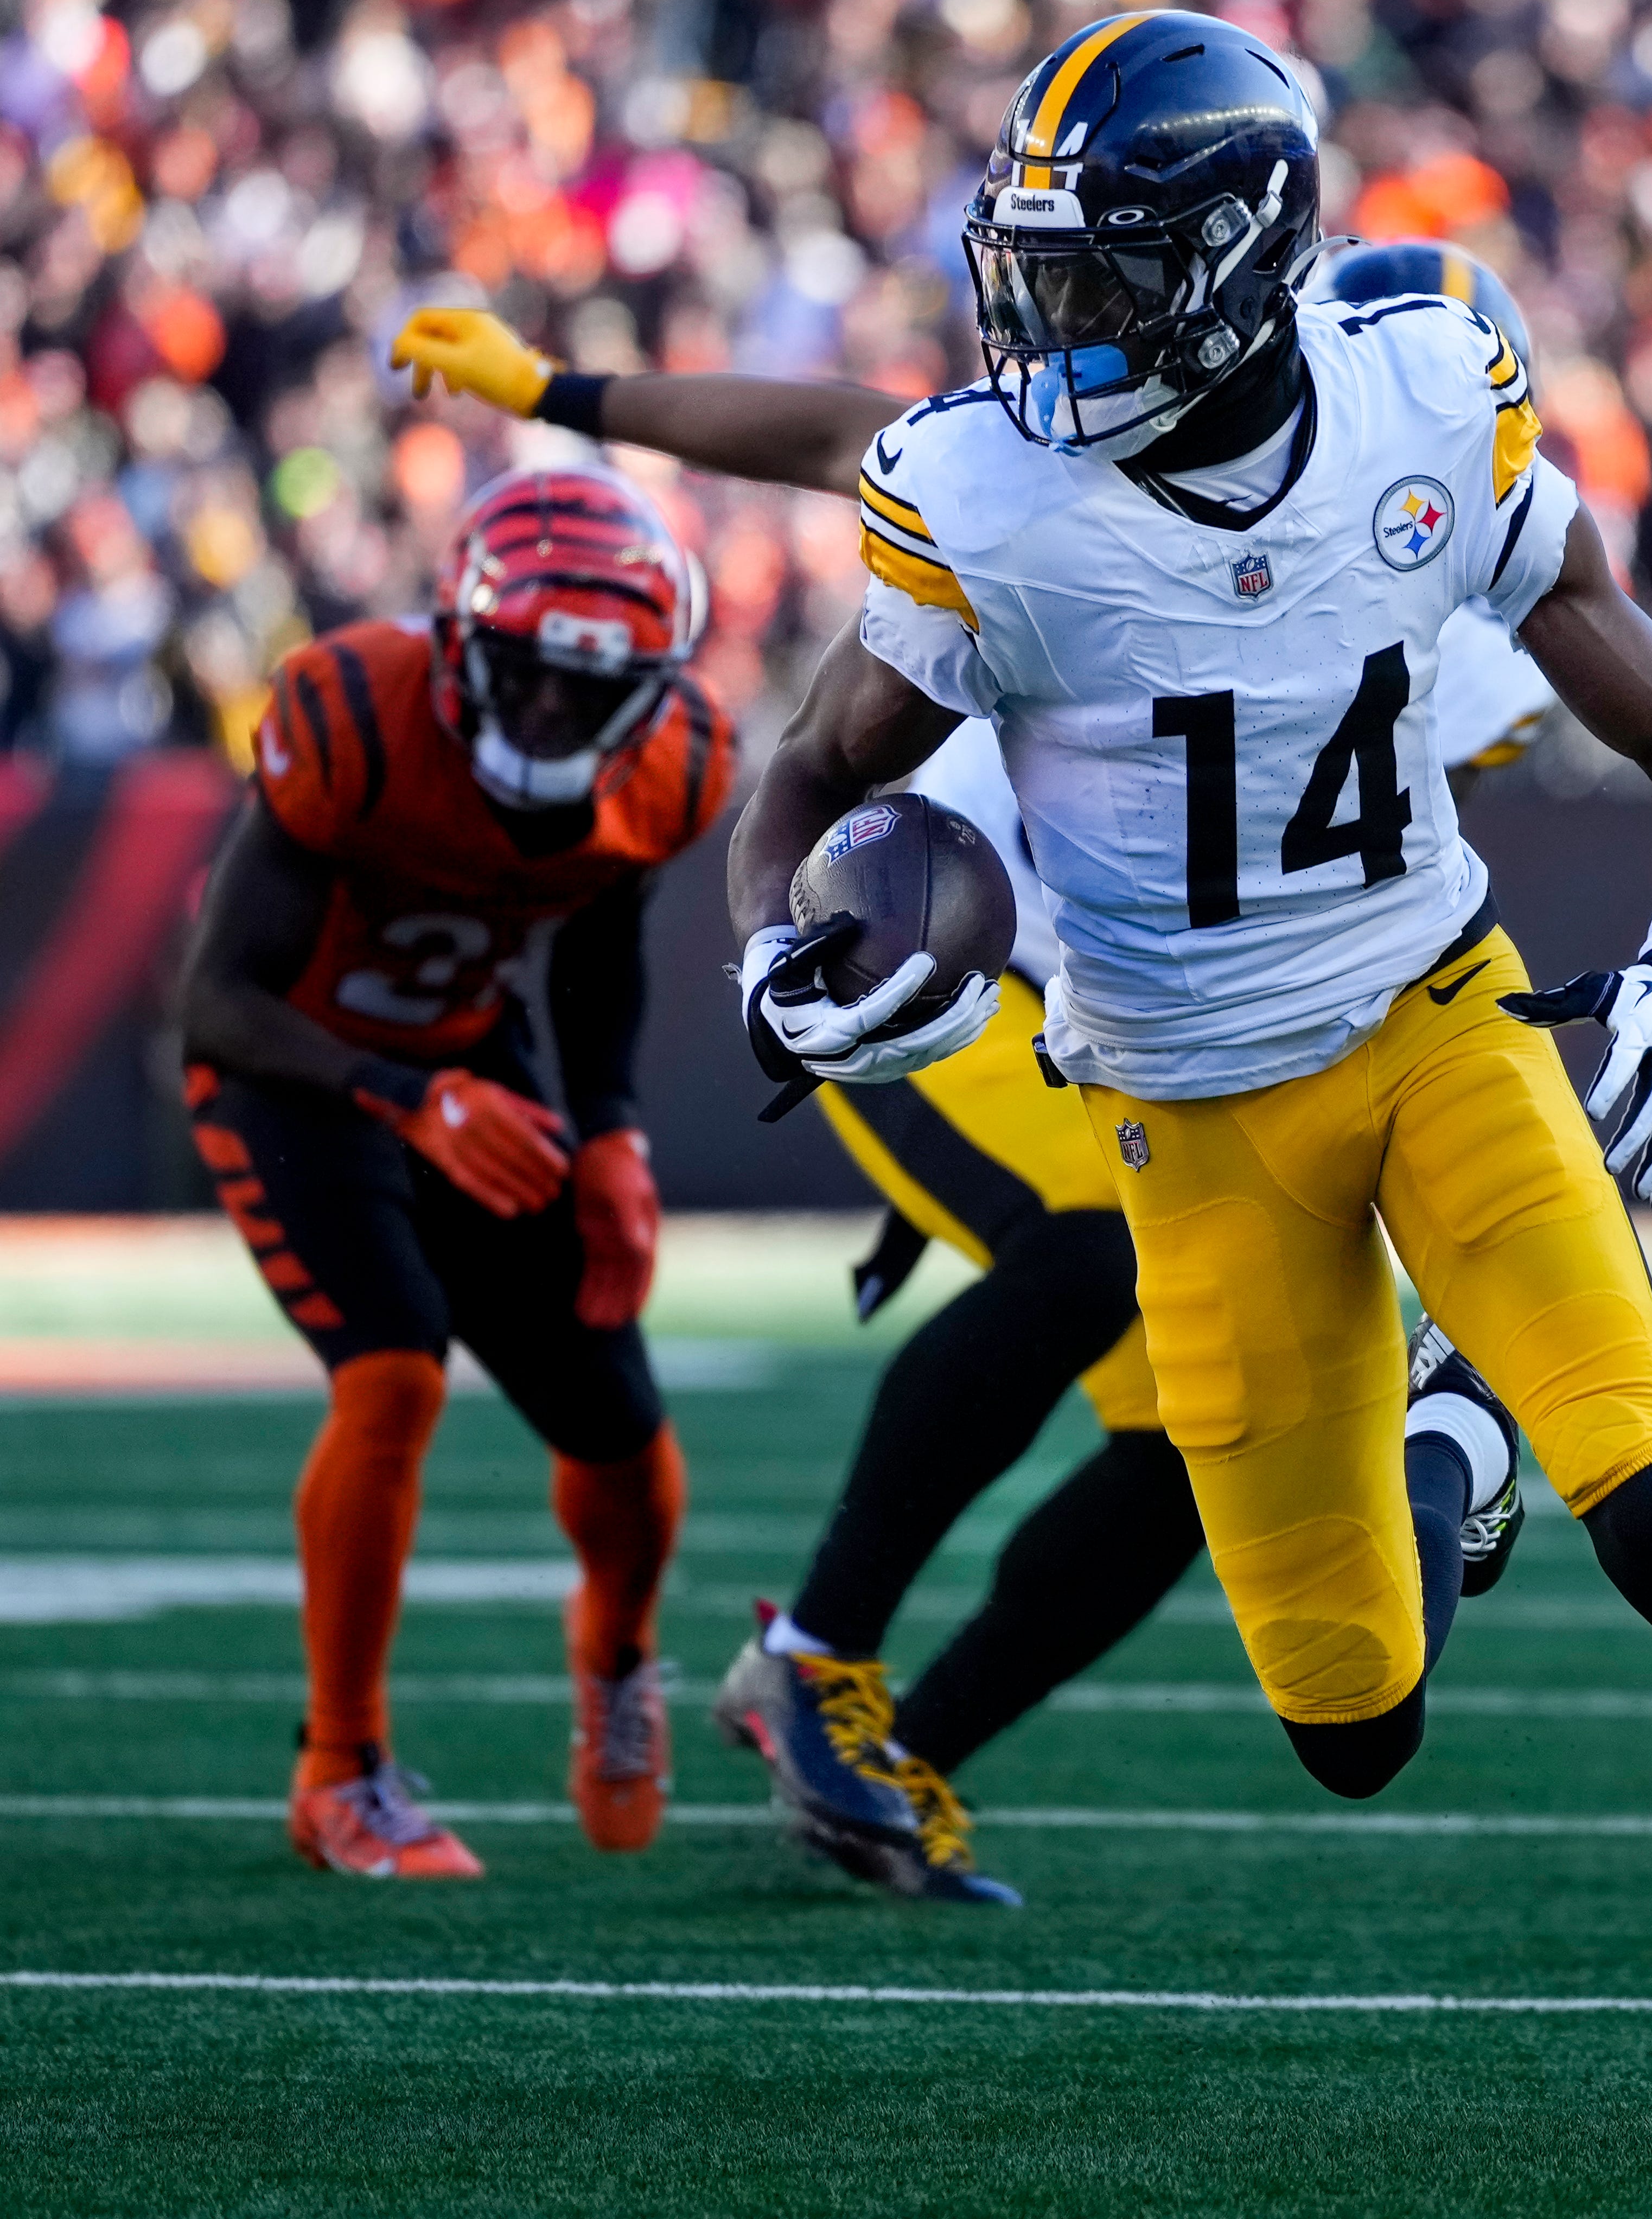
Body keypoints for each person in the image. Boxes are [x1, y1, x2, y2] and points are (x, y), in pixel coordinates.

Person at [413, 13, 1652, 2151]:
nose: (1047, 318)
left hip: (1436, 1025)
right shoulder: (988, 493)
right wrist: (768, 958)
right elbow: (806, 781)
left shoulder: (1424, 392)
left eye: (1096, 271)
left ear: (1229, 259)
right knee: (1353, 1723)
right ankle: (1442, 1450)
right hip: (1187, 1122)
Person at [398, 250, 1562, 1910]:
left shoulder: (1444, 574)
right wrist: (550, 396)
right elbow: (824, 429)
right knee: (1085, 1239)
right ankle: (815, 1653)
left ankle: (901, 1754)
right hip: (938, 957)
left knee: (1197, 1428)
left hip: (1136, 1037)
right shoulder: (1057, 473)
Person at [174, 464, 731, 1880]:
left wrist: (609, 1129)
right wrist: (403, 1097)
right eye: (523, 674)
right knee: (394, 1375)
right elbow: (219, 996)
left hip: (473, 1067)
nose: (547, 711)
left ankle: (614, 1657)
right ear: (458, 639)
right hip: (298, 1069)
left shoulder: (671, 764)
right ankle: (338, 1768)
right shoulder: (353, 714)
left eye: (580, 686)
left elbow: (600, 940)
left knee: (621, 1431)